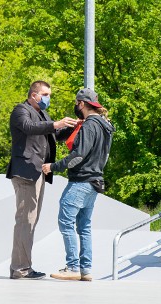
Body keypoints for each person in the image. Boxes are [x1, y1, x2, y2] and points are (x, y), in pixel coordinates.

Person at [6, 80, 78, 280]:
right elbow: (29, 127)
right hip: (25, 173)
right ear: (34, 94)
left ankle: (23, 267)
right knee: (25, 221)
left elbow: (53, 133)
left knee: (30, 221)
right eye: (45, 94)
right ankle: (20, 269)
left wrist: (75, 125)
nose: (48, 98)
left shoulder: (42, 114)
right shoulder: (21, 111)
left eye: (49, 95)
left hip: (38, 173)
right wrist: (55, 124)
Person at [42, 88, 114, 282]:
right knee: (84, 226)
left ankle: (73, 266)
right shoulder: (105, 125)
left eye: (76, 103)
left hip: (81, 180)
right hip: (95, 180)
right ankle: (86, 269)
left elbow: (79, 155)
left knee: (66, 222)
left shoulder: (90, 125)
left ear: (81, 104)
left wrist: (54, 167)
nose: (75, 106)